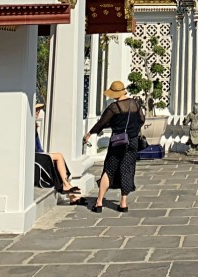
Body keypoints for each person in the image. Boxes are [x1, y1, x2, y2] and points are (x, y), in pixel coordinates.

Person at [83, 80, 144, 213]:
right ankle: (123, 203)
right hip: (132, 141)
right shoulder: (136, 104)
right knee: (127, 169)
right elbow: (142, 119)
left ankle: (99, 202)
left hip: (118, 141)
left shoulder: (114, 108)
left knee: (109, 169)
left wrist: (90, 133)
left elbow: (102, 122)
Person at [34, 102, 80, 196]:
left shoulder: (34, 125)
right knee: (58, 156)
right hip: (33, 156)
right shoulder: (28, 125)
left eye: (38, 110)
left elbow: (38, 146)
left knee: (56, 162)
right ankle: (66, 185)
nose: (37, 113)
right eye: (36, 110)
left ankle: (72, 194)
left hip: (37, 154)